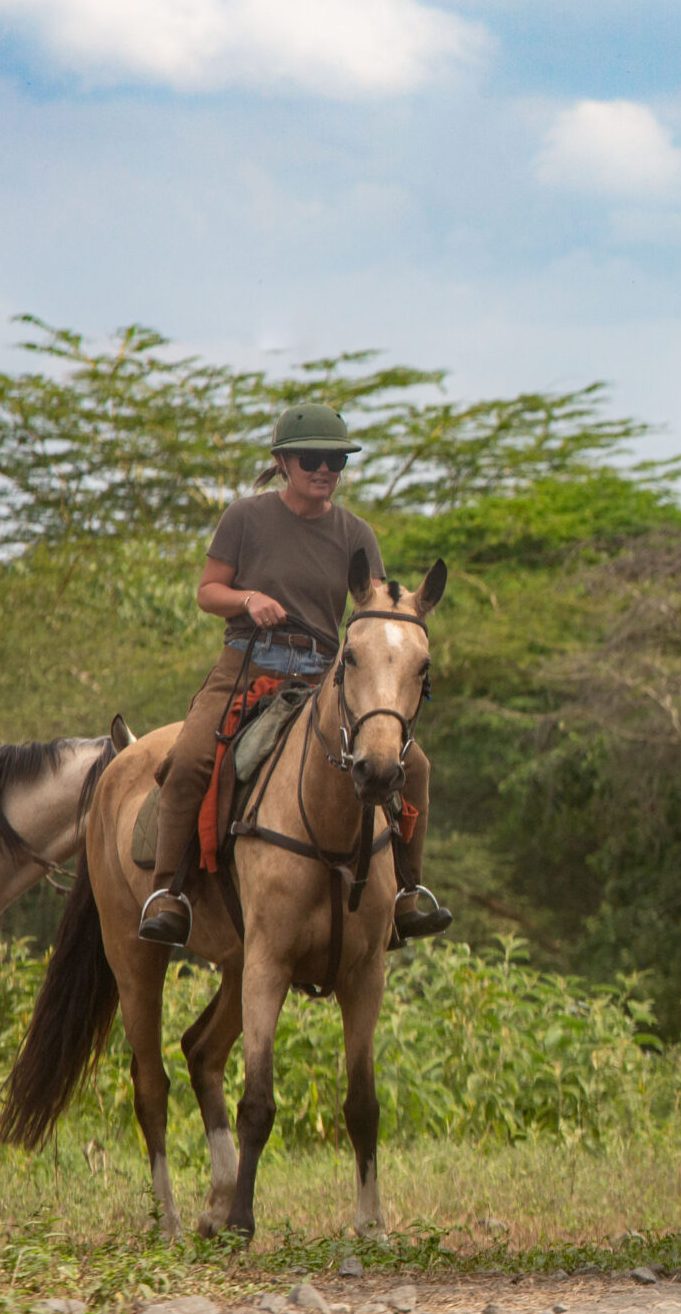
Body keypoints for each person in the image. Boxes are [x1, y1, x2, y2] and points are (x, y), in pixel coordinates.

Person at [136, 404, 452, 947]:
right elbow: (207, 592)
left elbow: (373, 614)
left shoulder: (357, 533)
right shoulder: (245, 518)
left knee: (414, 764)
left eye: (336, 460)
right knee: (189, 760)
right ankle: (169, 893)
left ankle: (406, 893)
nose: (325, 469)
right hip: (247, 663)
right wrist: (249, 598)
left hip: (325, 675)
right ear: (283, 462)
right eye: (313, 458)